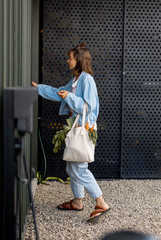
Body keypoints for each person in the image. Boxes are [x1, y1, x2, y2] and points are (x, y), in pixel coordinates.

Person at [32, 43, 110, 222]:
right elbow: (58, 92)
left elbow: (89, 107)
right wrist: (38, 88)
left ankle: (101, 202)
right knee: (72, 165)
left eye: (71, 58)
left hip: (84, 128)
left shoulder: (86, 80)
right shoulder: (76, 79)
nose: (68, 60)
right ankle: (77, 201)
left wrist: (69, 97)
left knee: (80, 168)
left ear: (79, 60)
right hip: (75, 127)